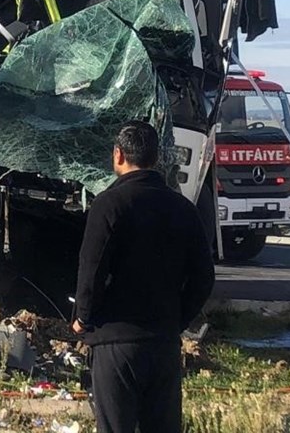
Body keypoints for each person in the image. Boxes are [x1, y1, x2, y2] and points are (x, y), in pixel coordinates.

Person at [73, 121, 215, 433]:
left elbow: (92, 270)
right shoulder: (183, 209)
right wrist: (175, 320)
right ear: (155, 158)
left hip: (116, 343)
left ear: (118, 155)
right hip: (163, 343)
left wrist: (83, 317)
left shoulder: (109, 204)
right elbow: (204, 277)